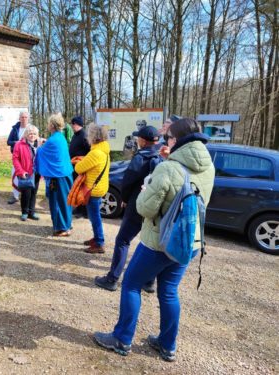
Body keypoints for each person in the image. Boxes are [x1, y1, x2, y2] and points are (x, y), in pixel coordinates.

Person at [93, 118, 215, 362]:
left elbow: (145, 209)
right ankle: (167, 345)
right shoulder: (208, 167)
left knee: (130, 285)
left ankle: (121, 339)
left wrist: (144, 193)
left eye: (169, 137)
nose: (166, 141)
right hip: (189, 241)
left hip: (159, 243)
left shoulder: (168, 168)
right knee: (169, 291)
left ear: (176, 141)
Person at [94, 126, 162, 292]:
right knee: (150, 243)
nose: (137, 139)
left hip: (137, 205)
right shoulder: (160, 158)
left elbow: (128, 180)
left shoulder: (141, 157)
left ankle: (112, 279)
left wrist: (124, 199)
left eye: (139, 137)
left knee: (123, 241)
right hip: (153, 207)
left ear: (143, 141)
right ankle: (149, 282)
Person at [35, 113, 73, 236]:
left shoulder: (53, 140)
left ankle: (62, 229)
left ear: (52, 125)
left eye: (48, 123)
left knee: (57, 202)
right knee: (65, 201)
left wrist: (40, 146)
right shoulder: (60, 137)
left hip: (57, 177)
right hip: (65, 174)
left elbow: (41, 152)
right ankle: (67, 224)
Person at [74, 124, 110, 253]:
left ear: (93, 137)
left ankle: (99, 243)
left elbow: (78, 168)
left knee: (94, 217)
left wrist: (79, 161)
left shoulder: (95, 153)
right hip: (100, 188)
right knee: (95, 215)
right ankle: (96, 238)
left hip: (93, 190)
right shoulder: (104, 150)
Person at [12, 125, 41, 221]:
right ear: (26, 135)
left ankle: (31, 212)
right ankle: (24, 212)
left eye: (34, 134)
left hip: (36, 173)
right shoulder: (19, 144)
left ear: (37, 135)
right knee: (26, 193)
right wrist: (20, 171)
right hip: (25, 173)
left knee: (33, 193)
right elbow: (15, 159)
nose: (32, 135)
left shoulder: (40, 145)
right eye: (30, 134)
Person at [69, 115, 91, 218]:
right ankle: (78, 207)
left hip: (81, 167)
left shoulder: (84, 135)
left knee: (82, 189)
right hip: (74, 167)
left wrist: (82, 161)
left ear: (77, 124)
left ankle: (84, 211)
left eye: (73, 124)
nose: (72, 126)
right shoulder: (75, 135)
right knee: (77, 188)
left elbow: (90, 151)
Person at [6, 111, 30, 204]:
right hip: (16, 156)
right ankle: (15, 196)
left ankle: (27, 195)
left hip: (28, 156)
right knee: (15, 175)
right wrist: (16, 142)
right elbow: (8, 142)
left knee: (28, 175)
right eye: (22, 117)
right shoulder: (15, 128)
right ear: (19, 118)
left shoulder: (31, 128)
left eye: (25, 117)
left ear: (28, 118)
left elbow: (36, 141)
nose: (24, 119)